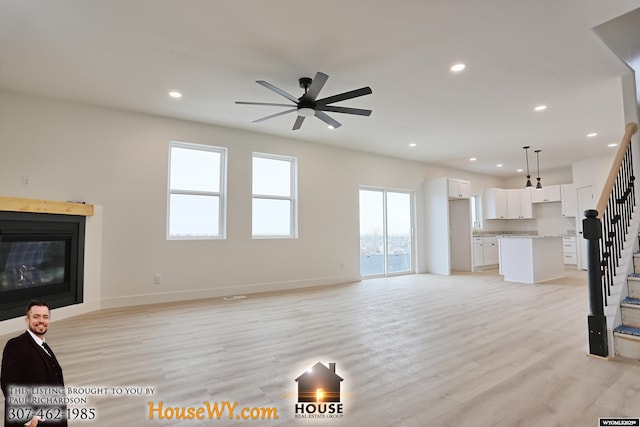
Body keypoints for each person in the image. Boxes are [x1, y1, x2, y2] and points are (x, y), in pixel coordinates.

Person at [1, 301, 67, 427]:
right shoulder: (16, 345)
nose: (41, 320)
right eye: (36, 316)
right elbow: (9, 385)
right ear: (27, 320)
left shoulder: (43, 345)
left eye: (45, 317)